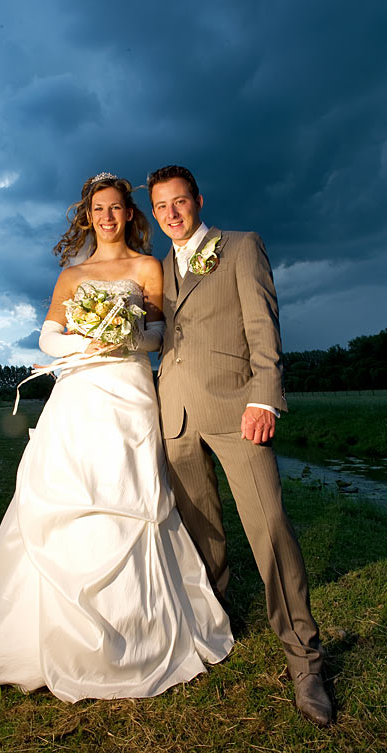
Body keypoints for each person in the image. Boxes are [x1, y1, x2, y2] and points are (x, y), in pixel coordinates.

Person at [0, 173, 233, 703]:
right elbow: (47, 334)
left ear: (131, 214)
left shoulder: (147, 267)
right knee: (70, 486)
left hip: (127, 388)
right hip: (81, 391)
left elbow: (157, 333)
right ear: (88, 216)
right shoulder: (72, 273)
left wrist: (125, 331)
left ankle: (143, 631)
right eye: (99, 210)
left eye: (116, 209)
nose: (108, 217)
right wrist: (87, 335)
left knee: (129, 490)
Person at [148, 165, 332, 726]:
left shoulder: (241, 246)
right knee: (200, 530)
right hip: (175, 416)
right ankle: (215, 623)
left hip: (237, 410)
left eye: (180, 202)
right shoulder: (158, 268)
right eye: (161, 207)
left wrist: (265, 398)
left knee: (270, 527)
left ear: (199, 201)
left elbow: (263, 325)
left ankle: (304, 658)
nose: (172, 213)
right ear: (154, 215)